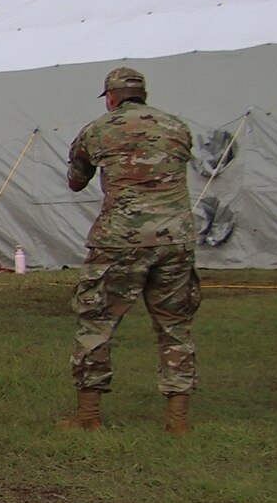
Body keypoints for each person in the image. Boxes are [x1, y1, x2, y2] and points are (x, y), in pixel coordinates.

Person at [61, 66, 199, 435]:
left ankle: (88, 417)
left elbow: (75, 182)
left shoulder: (97, 130)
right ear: (144, 96)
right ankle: (178, 422)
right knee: (175, 327)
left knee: (96, 322)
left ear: (110, 97)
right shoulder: (178, 128)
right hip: (176, 238)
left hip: (119, 239)